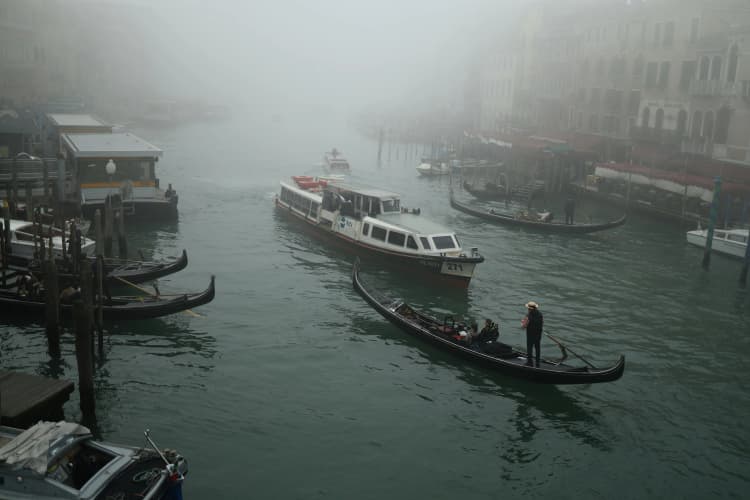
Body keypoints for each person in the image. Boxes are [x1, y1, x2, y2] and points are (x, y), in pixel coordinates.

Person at [522, 301, 544, 367]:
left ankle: (529, 362)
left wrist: (523, 323)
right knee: (537, 347)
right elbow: (542, 323)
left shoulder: (528, 316)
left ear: (529, 309)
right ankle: (537, 362)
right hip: (538, 334)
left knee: (529, 347)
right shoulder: (540, 314)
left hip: (530, 334)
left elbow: (524, 326)